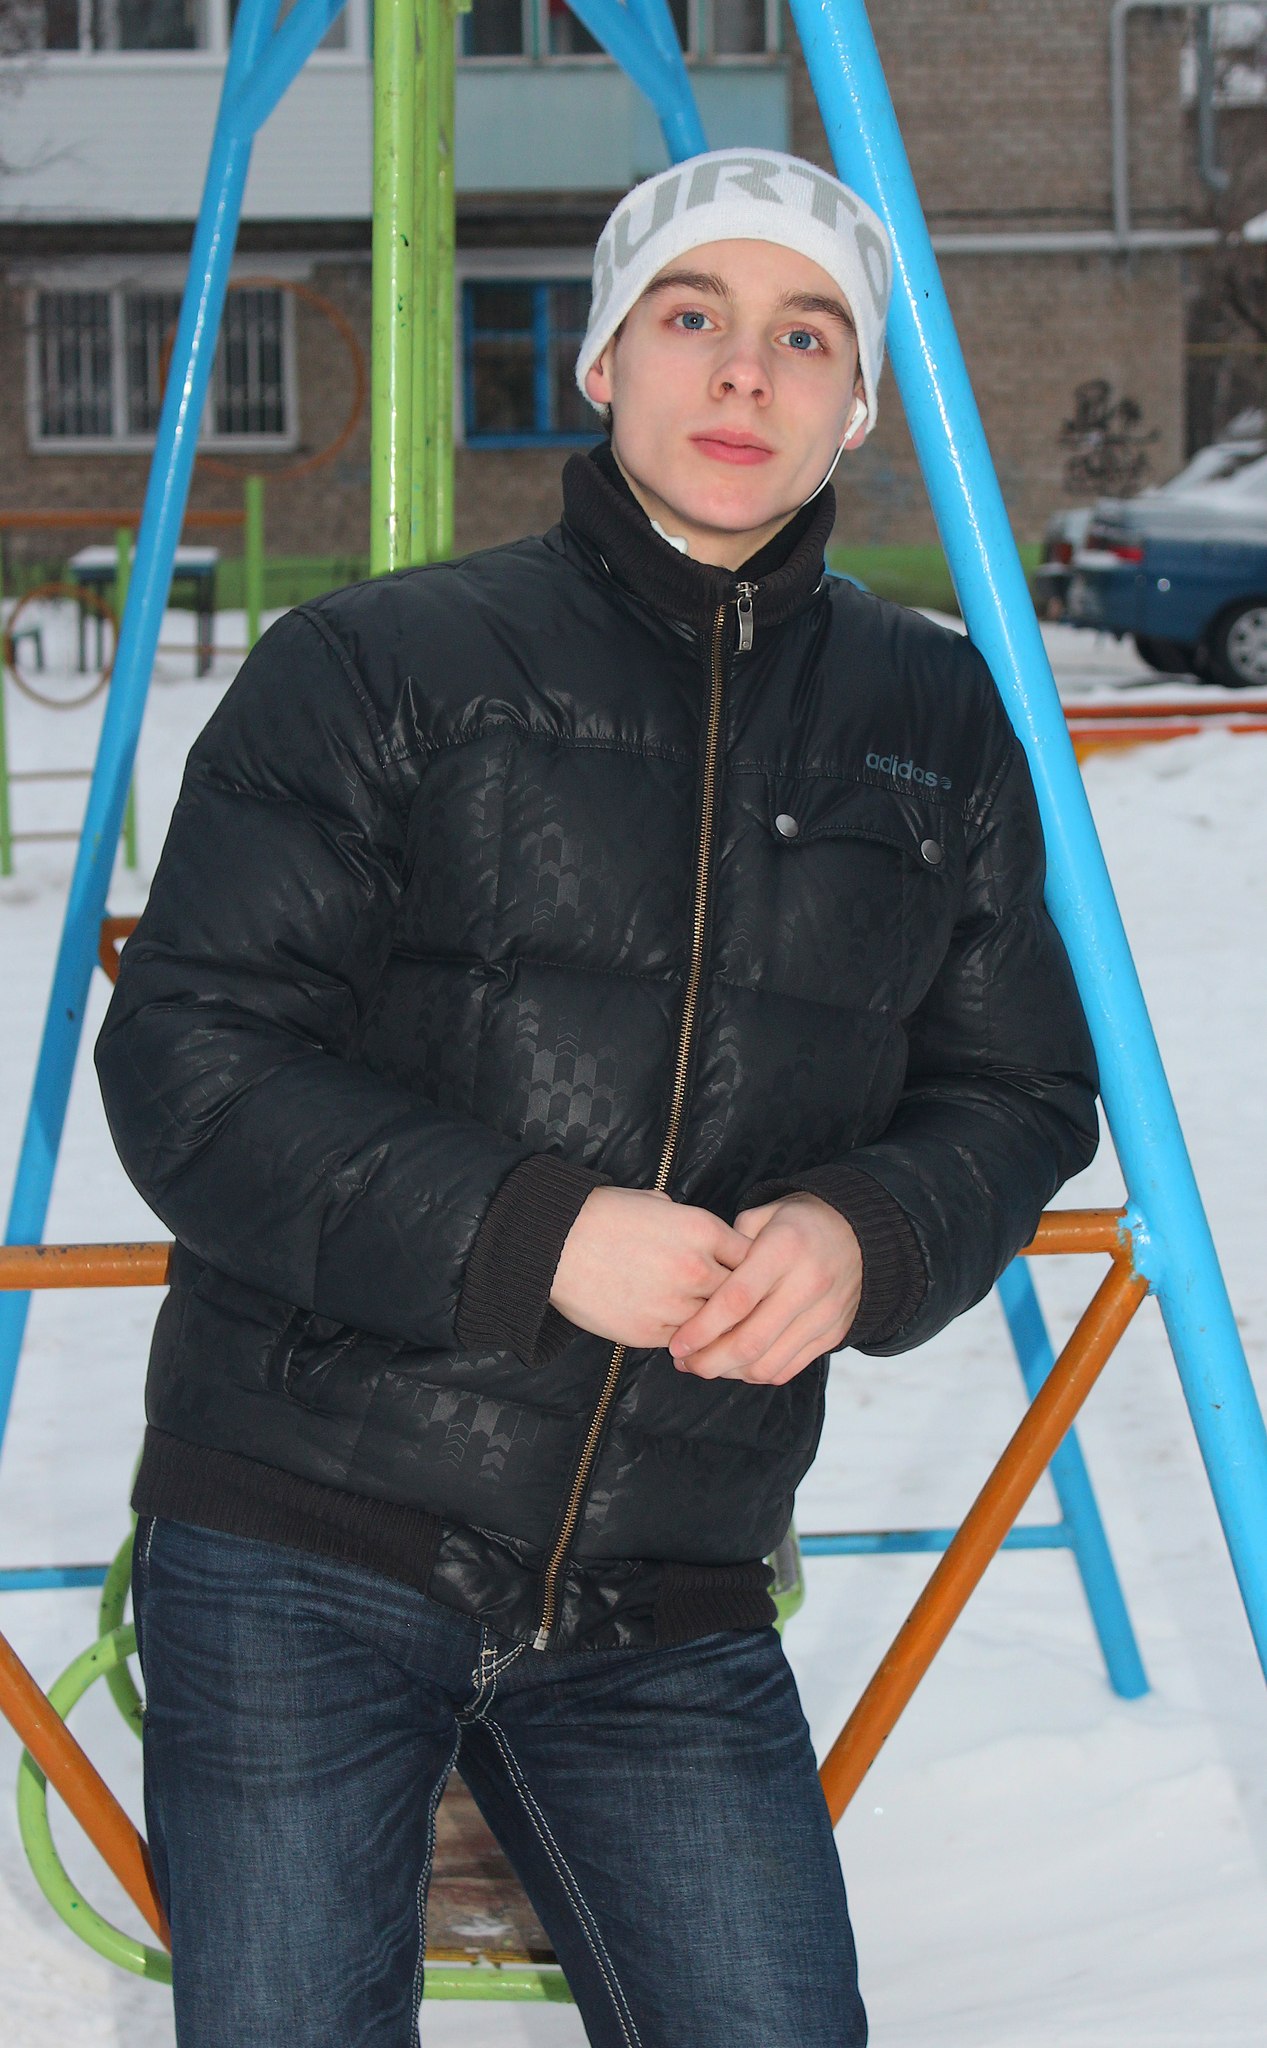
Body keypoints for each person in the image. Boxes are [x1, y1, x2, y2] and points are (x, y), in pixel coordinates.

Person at [96, 147, 1099, 2047]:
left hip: (669, 1584)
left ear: (856, 407)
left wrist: (869, 1231)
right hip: (308, 1535)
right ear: (600, 361)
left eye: (807, 336)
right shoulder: (379, 664)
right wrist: (531, 1232)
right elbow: (192, 1060)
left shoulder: (932, 718)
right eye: (691, 315)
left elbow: (1020, 1087)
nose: (743, 373)